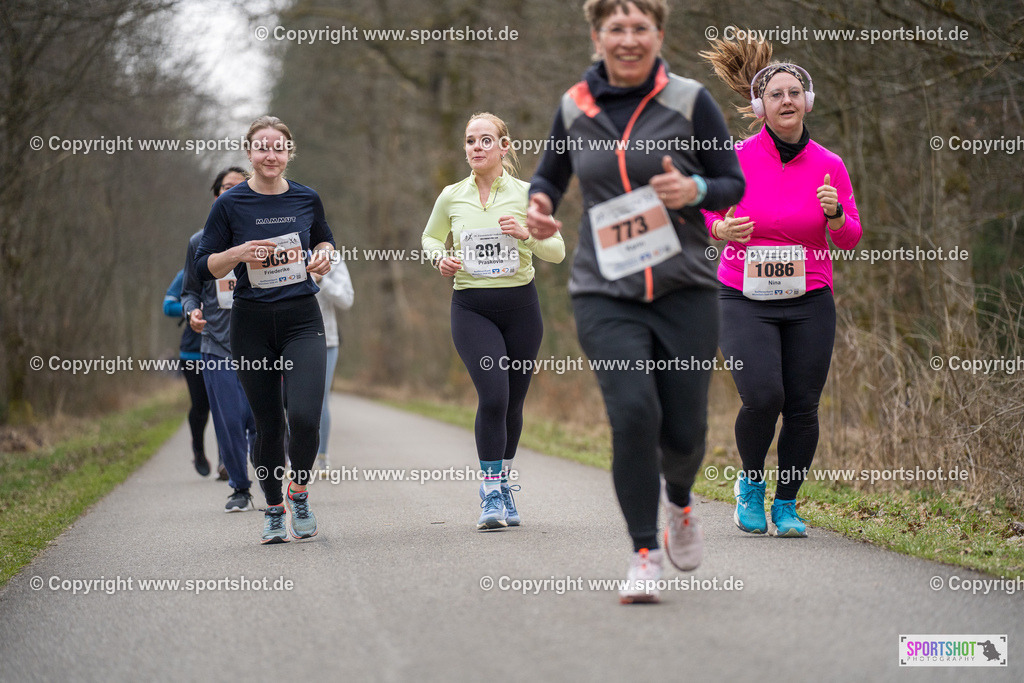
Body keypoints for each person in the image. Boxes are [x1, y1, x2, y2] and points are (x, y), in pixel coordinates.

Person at [527, 0, 744, 602]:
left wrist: (695, 188)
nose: (628, 39)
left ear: (658, 34)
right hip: (605, 290)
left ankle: (680, 499)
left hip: (685, 287)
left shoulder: (689, 99)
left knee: (685, 430)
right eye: (615, 29)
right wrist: (540, 206)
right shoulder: (575, 105)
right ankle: (642, 553)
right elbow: (549, 175)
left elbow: (732, 182)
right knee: (631, 414)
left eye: (639, 28)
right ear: (597, 38)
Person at [700, 37, 862, 537]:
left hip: (811, 298)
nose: (786, 100)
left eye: (795, 93)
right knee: (764, 395)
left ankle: (787, 503)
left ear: (807, 102)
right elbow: (702, 207)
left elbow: (851, 236)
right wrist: (719, 229)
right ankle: (750, 484)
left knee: (803, 405)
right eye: (776, 94)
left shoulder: (829, 164)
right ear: (760, 106)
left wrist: (835, 213)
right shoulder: (735, 156)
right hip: (744, 297)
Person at [195, 116, 336, 544]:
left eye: (279, 147)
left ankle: (299, 492)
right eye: (262, 147)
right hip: (251, 323)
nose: (270, 155)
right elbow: (205, 265)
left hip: (301, 319)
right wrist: (238, 251)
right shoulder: (230, 204)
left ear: (289, 152)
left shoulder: (307, 198)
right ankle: (274, 507)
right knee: (269, 424)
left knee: (306, 418)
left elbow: (325, 240)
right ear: (250, 152)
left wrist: (324, 255)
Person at [422, 112, 565, 530]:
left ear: (504, 146)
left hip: (522, 309)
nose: (477, 147)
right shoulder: (452, 195)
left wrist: (527, 234)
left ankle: (503, 483)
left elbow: (556, 250)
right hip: (471, 308)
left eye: (486, 140)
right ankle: (489, 492)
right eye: (470, 141)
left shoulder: (527, 194)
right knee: (495, 395)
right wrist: (440, 258)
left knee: (514, 404)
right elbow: (430, 237)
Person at [182, 166, 258, 512]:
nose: (231, 192)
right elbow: (189, 291)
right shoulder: (200, 243)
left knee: (259, 418)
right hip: (217, 345)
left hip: (261, 342)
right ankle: (239, 488)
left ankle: (268, 470)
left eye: (239, 187)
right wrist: (192, 312)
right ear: (217, 197)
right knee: (228, 420)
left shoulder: (261, 237)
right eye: (225, 187)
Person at [163, 269, 211, 476]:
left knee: (226, 407)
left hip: (228, 349)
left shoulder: (233, 267)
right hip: (194, 352)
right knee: (201, 406)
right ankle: (198, 450)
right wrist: (193, 309)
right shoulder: (188, 273)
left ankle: (226, 463)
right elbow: (168, 306)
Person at [313, 259, 354, 471]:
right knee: (291, 400)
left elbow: (346, 300)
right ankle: (293, 455)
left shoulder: (333, 259)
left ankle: (321, 455)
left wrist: (322, 281)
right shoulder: (286, 254)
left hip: (326, 341)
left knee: (321, 399)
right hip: (288, 341)